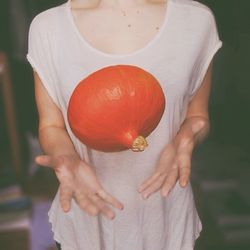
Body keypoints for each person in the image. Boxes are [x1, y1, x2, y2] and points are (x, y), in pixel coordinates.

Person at [26, 0, 222, 249]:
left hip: (166, 216)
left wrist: (189, 136)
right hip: (88, 220)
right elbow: (51, 126)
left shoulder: (196, 21)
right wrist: (65, 156)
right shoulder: (48, 28)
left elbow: (198, 116)